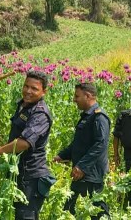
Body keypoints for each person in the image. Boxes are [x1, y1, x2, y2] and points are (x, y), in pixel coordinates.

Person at [0, 70, 56, 220]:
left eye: (34, 88)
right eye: (26, 86)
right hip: (19, 172)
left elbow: (24, 143)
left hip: (31, 177)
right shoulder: (23, 105)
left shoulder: (40, 114)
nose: (28, 91)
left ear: (44, 92)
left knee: (26, 216)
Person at [53, 83, 110, 218]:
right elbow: (78, 144)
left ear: (88, 96)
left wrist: (82, 166)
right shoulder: (87, 116)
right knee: (67, 208)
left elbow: (100, 145)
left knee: (98, 211)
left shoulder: (99, 117)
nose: (74, 99)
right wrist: (61, 156)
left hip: (91, 173)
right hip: (80, 172)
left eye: (77, 96)